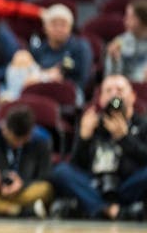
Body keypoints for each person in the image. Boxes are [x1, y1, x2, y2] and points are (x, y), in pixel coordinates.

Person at [49, 74, 147, 220]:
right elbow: (76, 165)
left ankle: (92, 208)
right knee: (61, 172)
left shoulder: (143, 124)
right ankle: (111, 211)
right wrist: (83, 138)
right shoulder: (91, 122)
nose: (114, 95)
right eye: (108, 91)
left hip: (127, 184)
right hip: (95, 184)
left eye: (120, 90)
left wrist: (125, 139)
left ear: (132, 96)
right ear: (101, 98)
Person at [6, 3, 92, 103]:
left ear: (70, 27)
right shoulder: (40, 48)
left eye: (63, 24)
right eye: (54, 24)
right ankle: (14, 98)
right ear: (45, 27)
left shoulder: (80, 47)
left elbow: (80, 77)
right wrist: (44, 75)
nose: (59, 28)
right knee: (21, 56)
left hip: (70, 91)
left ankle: (15, 99)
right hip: (39, 87)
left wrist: (45, 77)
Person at [104, 0, 147, 83]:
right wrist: (114, 60)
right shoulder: (120, 42)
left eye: (130, 16)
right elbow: (111, 78)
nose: (125, 20)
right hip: (123, 90)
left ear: (142, 19)